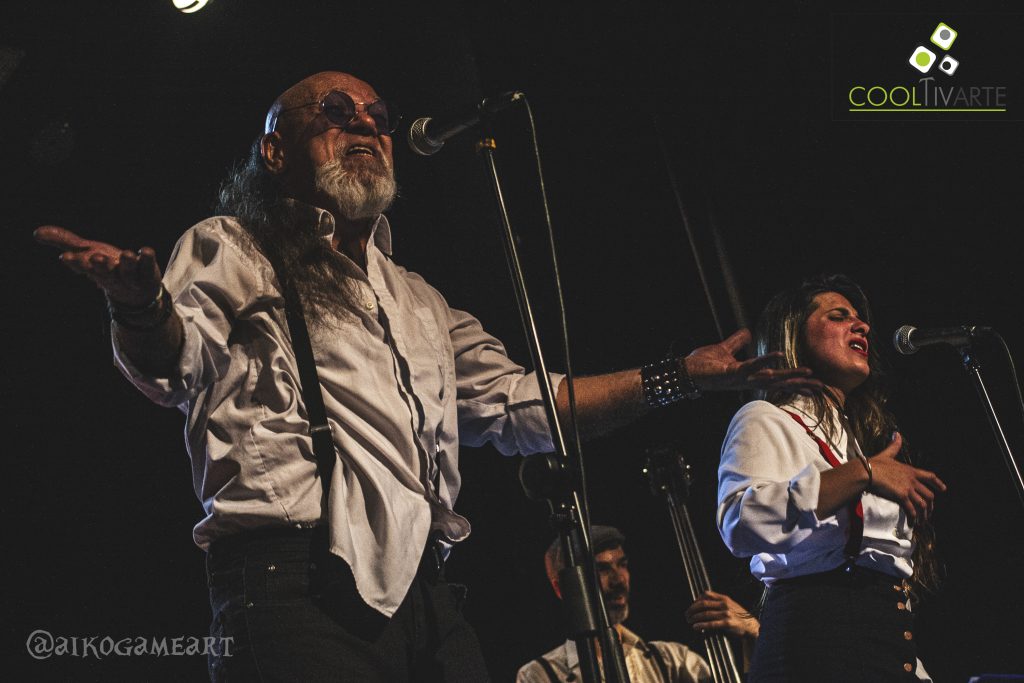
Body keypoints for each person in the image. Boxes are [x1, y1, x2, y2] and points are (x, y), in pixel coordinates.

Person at [34, 71, 818, 682]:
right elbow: (174, 367)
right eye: (335, 113)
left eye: (376, 116)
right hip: (289, 585)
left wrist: (677, 375)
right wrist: (140, 309)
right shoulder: (232, 246)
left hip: (426, 596)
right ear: (275, 151)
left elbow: (529, 406)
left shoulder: (420, 301)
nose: (365, 127)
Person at [716, 274, 946, 682]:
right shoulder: (767, 419)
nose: (862, 327)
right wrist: (864, 473)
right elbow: (742, 523)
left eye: (860, 319)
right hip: (812, 653)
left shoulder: (857, 443)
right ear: (793, 335)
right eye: (839, 317)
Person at [516, 525, 759, 683]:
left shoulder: (672, 661)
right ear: (562, 588)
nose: (619, 579)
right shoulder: (539, 676)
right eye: (601, 569)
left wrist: (753, 634)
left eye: (621, 564)